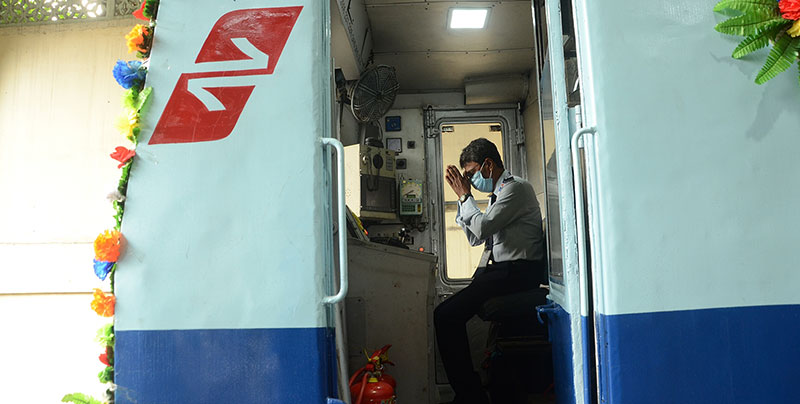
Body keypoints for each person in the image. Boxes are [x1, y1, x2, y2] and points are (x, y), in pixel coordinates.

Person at [434, 138, 546, 404]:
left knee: (445, 316)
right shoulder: (498, 194)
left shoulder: (515, 188)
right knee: (447, 314)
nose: (470, 180)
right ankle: (470, 392)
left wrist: (465, 197)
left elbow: (482, 227)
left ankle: (470, 396)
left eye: (472, 173)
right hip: (504, 271)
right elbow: (476, 237)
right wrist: (463, 200)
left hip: (518, 272)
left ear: (488, 165)